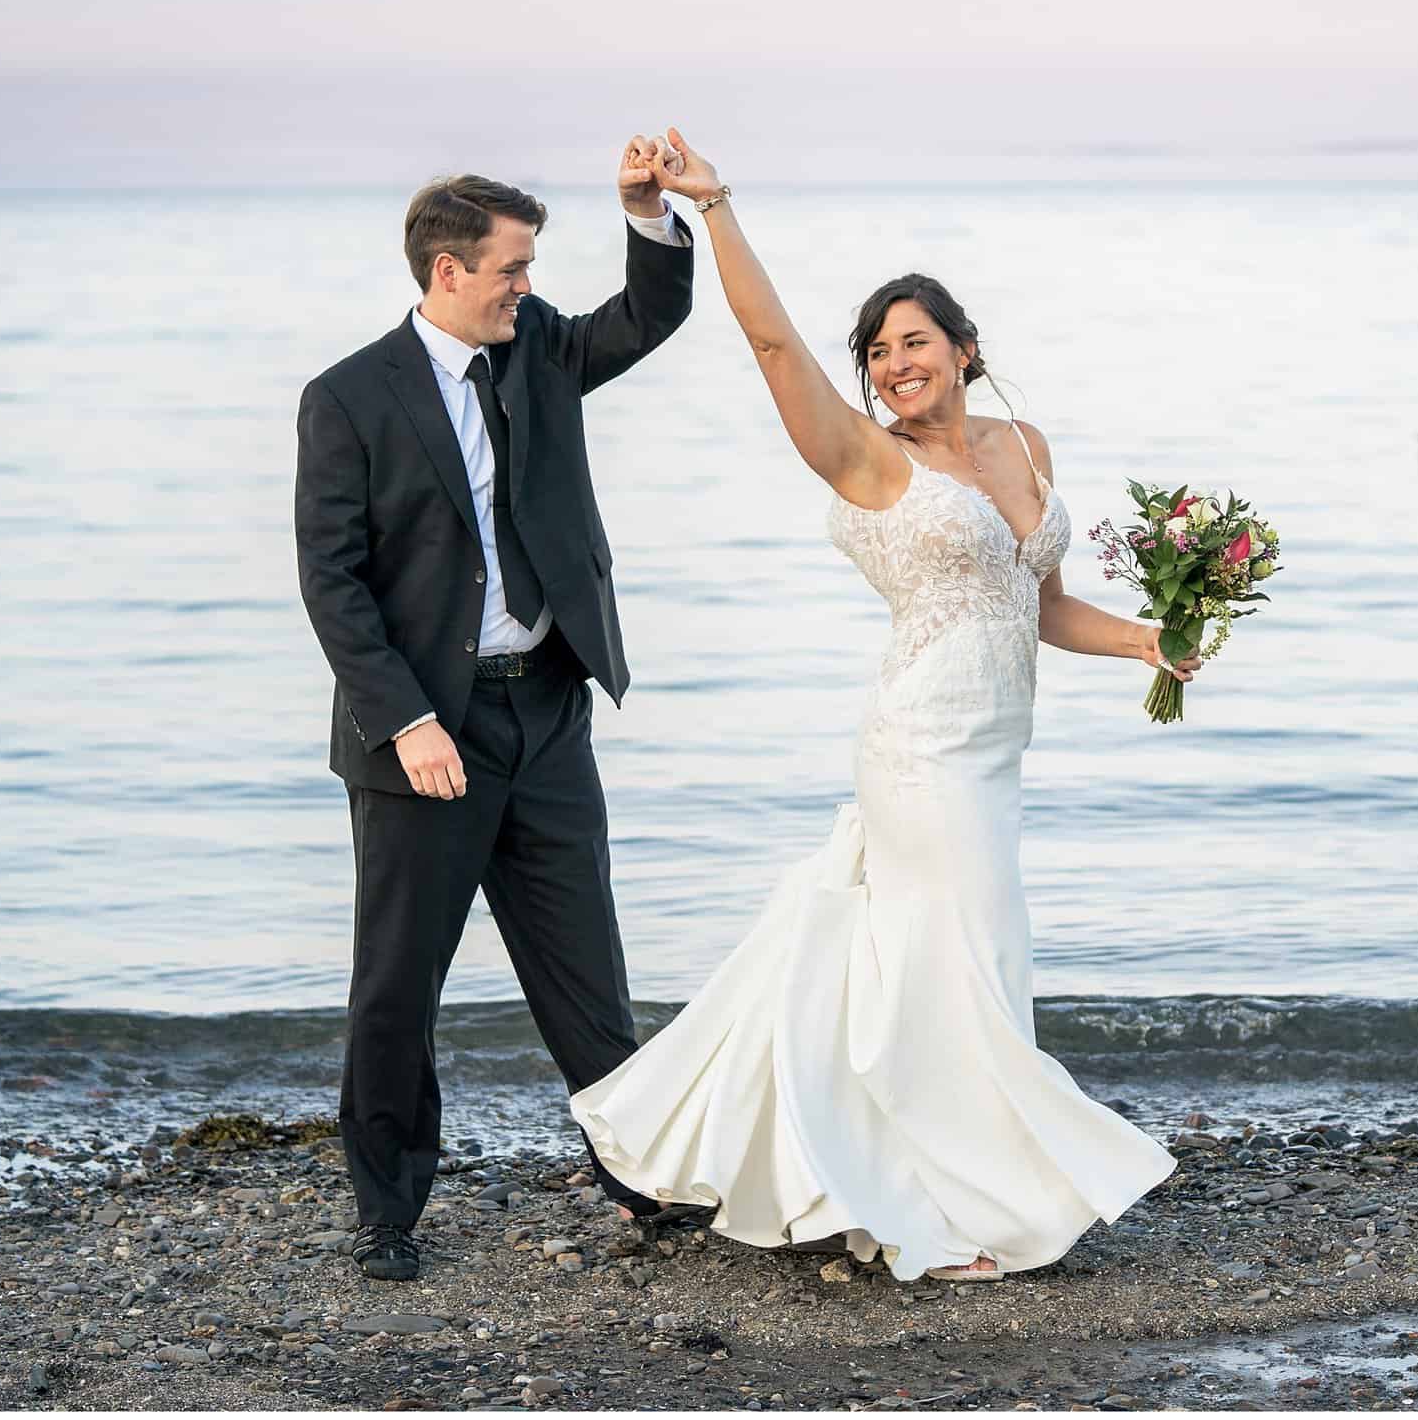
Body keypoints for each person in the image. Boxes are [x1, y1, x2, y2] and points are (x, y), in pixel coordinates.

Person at [570, 130, 1196, 1282]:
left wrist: (1149, 640)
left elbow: (1041, 604)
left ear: (964, 347)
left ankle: (928, 1179)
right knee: (952, 956)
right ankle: (958, 1209)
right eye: (876, 351)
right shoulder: (868, 458)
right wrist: (715, 211)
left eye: (915, 341)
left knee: (975, 954)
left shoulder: (1024, 444)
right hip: (919, 747)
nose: (895, 362)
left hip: (996, 745)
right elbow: (768, 346)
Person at [293, 143, 695, 1281]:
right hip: (427, 733)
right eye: (512, 268)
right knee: (396, 987)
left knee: (586, 971)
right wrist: (405, 720)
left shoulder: (544, 350)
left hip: (550, 712)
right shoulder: (347, 396)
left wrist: (645, 214)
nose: (527, 285)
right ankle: (386, 1212)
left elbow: (649, 313)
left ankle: (639, 1176)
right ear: (448, 270)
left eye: (530, 268)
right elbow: (333, 579)